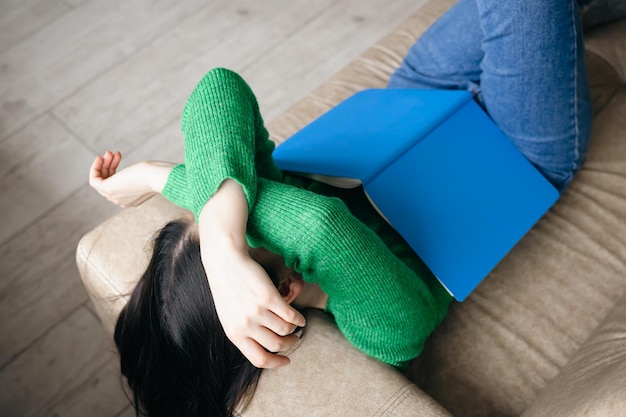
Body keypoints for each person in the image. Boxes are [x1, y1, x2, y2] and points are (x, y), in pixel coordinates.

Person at [89, 68, 452, 417]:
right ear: (282, 291)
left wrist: (222, 246)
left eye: (204, 209)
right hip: (491, 144)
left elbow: (219, 88)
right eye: (225, 224)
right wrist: (161, 178)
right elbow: (322, 227)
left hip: (413, 106)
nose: (218, 213)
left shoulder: (253, 230)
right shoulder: (387, 332)